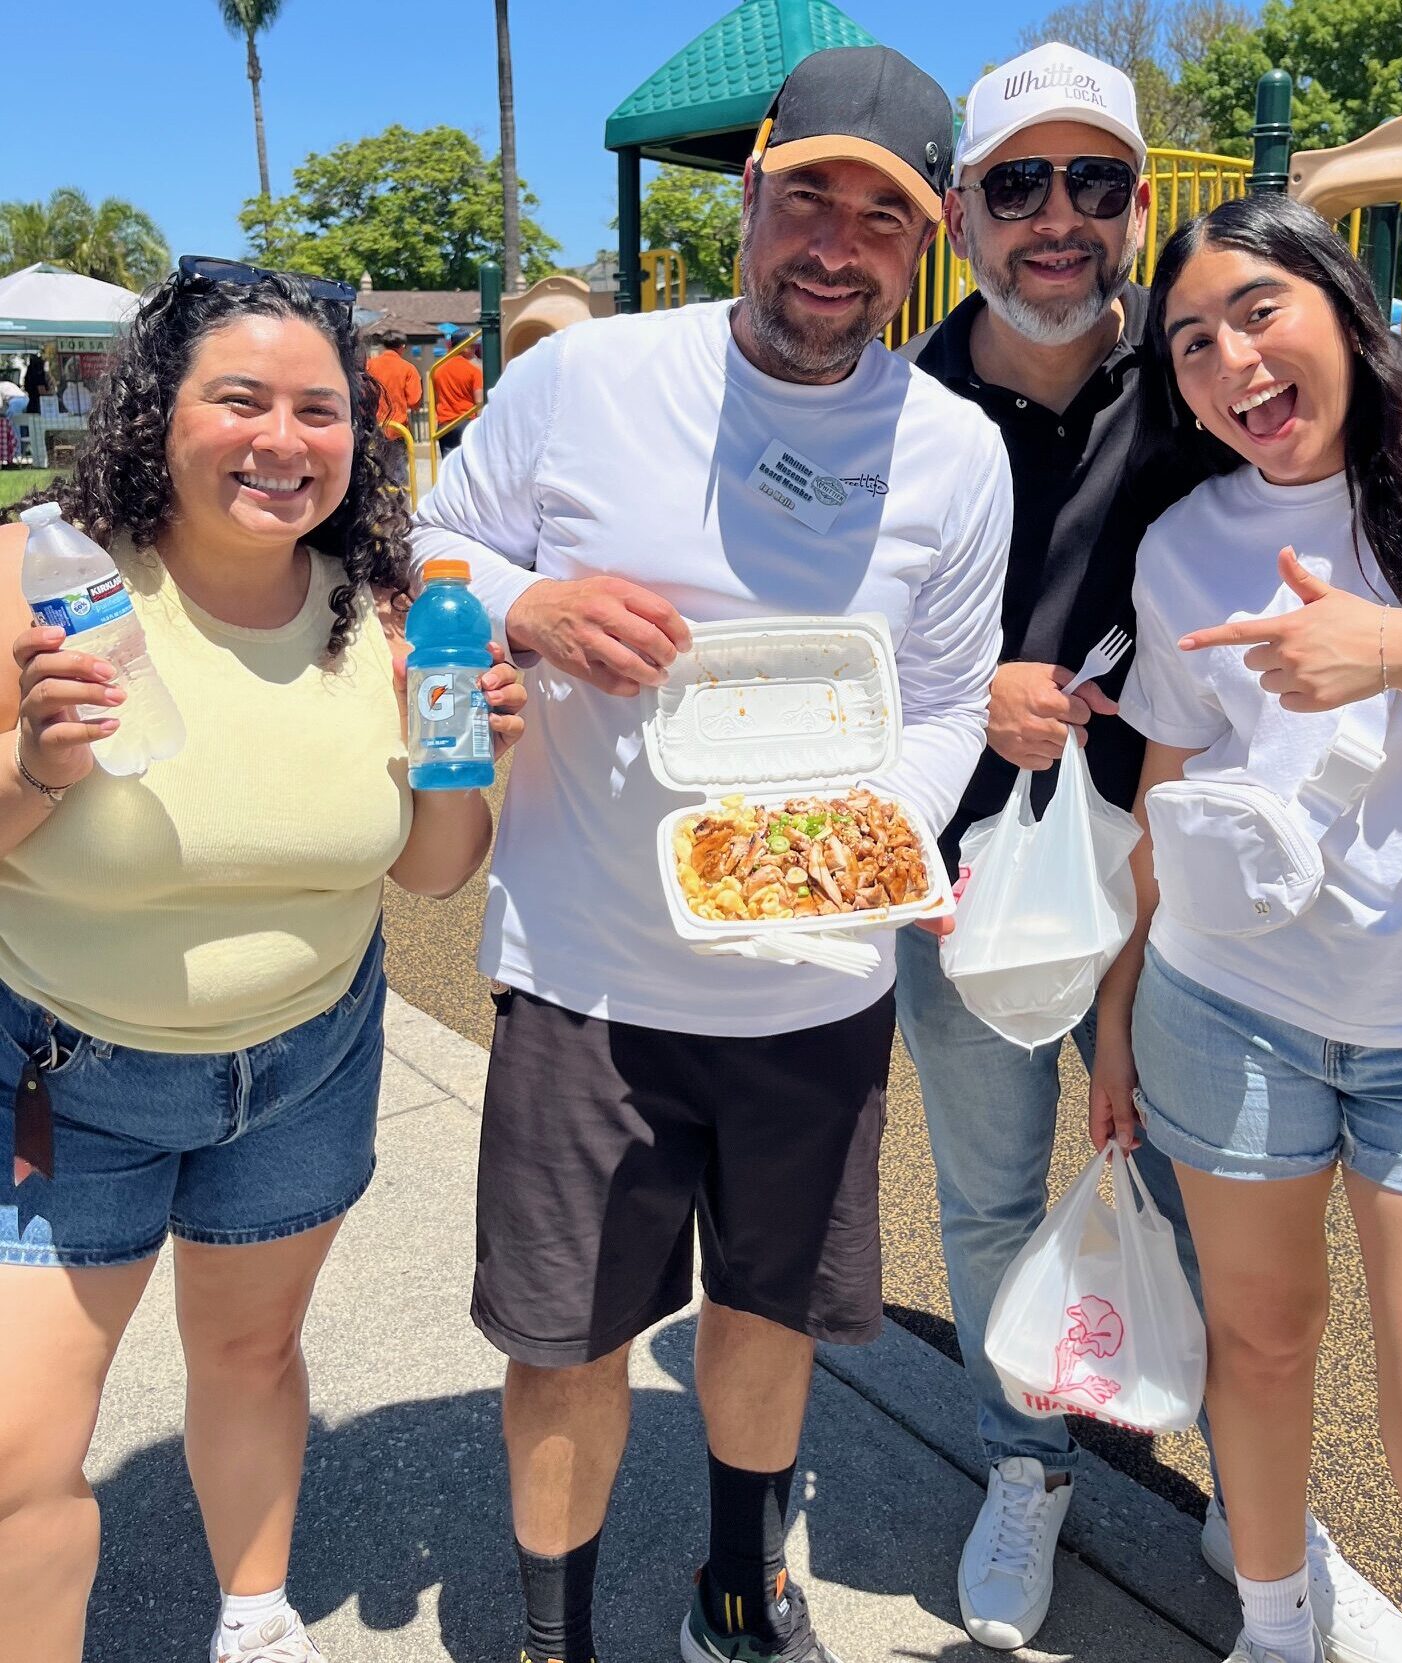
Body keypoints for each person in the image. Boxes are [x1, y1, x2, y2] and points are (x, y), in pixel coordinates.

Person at [897, 38, 1402, 1659]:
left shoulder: (1282, 436)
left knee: (1384, 1399)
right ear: (966, 207)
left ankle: (1274, 1543)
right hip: (1014, 897)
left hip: (1323, 960)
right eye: (1019, 180)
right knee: (1022, 1219)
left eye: (1093, 181)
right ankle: (1077, 1493)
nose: (1056, 216)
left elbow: (1390, 409)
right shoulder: (900, 412)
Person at [412, 43, 1012, 1663]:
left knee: (769, 1312)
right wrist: (524, 603)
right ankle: (558, 1633)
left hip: (810, 973)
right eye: (802, 193)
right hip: (586, 967)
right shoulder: (586, 381)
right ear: (744, 198)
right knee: (564, 1339)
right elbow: (419, 540)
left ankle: (741, 1587)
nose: (832, 239)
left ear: (924, 236)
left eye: (874, 214)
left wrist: (872, 835)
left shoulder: (953, 451)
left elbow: (949, 694)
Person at [0, 256, 527, 1663]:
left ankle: (255, 1611)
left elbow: (426, 868)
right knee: (17, 1452)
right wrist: (38, 764)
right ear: (159, 409)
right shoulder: (43, 574)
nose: (283, 440)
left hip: (304, 1062)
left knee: (245, 1354)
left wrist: (472, 756)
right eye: (241, 399)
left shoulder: (392, 604)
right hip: (66, 1077)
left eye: (319, 407)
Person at [1093, 190, 1402, 1663]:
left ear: (1343, 303)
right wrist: (1118, 1003)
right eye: (1191, 343)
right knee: (1259, 1348)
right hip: (1230, 1005)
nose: (1231, 364)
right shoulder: (1184, 541)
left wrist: (1399, 645)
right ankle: (1273, 1626)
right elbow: (1167, 783)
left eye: (1258, 313)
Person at [366, 328, 422, 482]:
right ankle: (398, 503)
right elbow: (414, 401)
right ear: (402, 346)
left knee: (377, 470)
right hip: (399, 429)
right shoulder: (408, 368)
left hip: (373, 428)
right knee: (398, 472)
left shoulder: (369, 366)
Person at [431, 332, 483, 456]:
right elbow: (479, 401)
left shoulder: (437, 369)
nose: (475, 349)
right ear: (463, 347)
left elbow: (436, 399)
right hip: (466, 422)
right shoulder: (474, 371)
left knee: (449, 462)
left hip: (445, 425)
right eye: (472, 346)